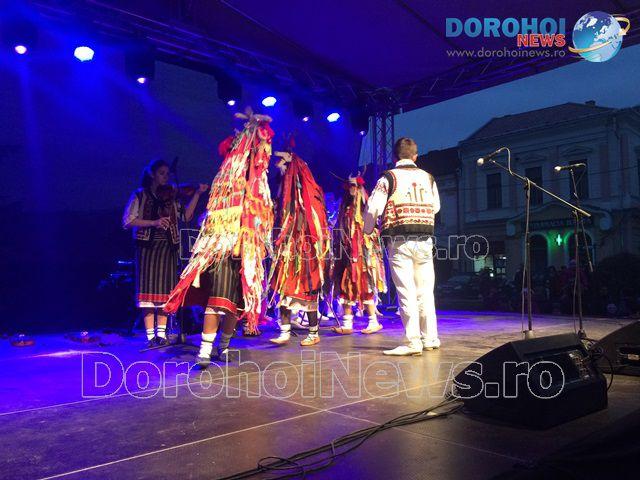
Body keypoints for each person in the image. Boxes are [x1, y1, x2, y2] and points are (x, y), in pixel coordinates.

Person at [165, 109, 274, 367]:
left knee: (234, 305)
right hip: (221, 250)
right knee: (216, 302)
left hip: (245, 252)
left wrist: (256, 132)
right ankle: (205, 351)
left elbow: (260, 212)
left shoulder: (256, 185)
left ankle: (222, 346)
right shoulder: (224, 186)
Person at [364, 137, 440, 356]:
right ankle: (430, 338)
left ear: (394, 156)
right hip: (425, 239)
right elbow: (435, 207)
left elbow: (373, 208)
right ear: (415, 156)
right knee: (425, 291)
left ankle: (412, 342)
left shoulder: (388, 177)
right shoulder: (428, 177)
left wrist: (367, 229)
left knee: (406, 291)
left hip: (400, 240)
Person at [123, 159, 207, 347]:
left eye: (168, 174)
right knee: (147, 294)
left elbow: (186, 216)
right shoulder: (140, 194)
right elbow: (128, 221)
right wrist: (154, 223)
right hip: (147, 248)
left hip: (168, 247)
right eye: (162, 173)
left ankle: (161, 334)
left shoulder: (172, 197)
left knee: (164, 293)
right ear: (152, 174)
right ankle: (150, 337)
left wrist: (197, 194)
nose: (166, 177)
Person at [269, 149, 330, 347]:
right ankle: (284, 331)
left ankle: (313, 333)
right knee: (284, 286)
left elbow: (317, 223)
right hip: (288, 246)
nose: (281, 169)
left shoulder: (308, 193)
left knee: (308, 287)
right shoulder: (284, 195)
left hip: (306, 247)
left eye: (285, 166)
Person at [332, 173, 387, 335]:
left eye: (354, 186)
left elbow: (372, 229)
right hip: (347, 254)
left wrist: (363, 242)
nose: (351, 189)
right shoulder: (345, 208)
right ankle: (347, 324)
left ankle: (373, 322)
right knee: (347, 286)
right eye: (349, 186)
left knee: (365, 286)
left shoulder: (366, 207)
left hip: (363, 255)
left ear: (360, 187)